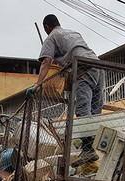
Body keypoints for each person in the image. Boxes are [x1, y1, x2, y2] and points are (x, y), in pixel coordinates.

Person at [28, 14, 105, 167]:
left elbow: (46, 62)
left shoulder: (51, 37)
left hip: (83, 68)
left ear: (46, 27)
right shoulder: (72, 33)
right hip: (98, 66)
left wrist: (37, 84)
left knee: (83, 111)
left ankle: (88, 150)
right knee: (95, 111)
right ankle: (89, 146)